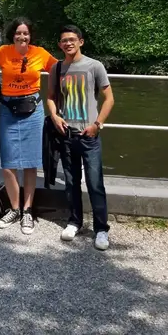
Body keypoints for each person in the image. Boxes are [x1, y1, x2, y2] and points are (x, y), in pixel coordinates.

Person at [47, 25, 114, 251]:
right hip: (66, 134)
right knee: (71, 182)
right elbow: (50, 97)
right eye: (64, 40)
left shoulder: (94, 66)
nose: (68, 43)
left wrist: (97, 124)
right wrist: (55, 117)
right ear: (60, 45)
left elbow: (109, 98)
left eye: (72, 39)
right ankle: (75, 221)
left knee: (95, 183)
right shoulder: (57, 68)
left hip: (89, 135)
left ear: (81, 42)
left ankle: (101, 229)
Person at [0, 17, 57, 235]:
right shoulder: (3, 52)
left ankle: (27, 210)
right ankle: (14, 209)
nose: (22, 36)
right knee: (8, 162)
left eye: (25, 33)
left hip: (33, 110)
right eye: (18, 33)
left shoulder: (40, 53)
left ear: (30, 36)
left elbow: (59, 69)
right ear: (12, 35)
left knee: (30, 162)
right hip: (9, 110)